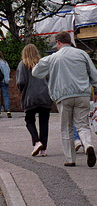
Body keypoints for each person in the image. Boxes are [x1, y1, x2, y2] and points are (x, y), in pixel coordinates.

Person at [32, 31, 97, 167]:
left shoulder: (53, 58)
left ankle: (70, 159)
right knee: (83, 125)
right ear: (70, 41)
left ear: (58, 42)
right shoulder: (82, 54)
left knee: (66, 127)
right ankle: (88, 145)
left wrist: (48, 72)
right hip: (82, 95)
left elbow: (35, 72)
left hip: (63, 97)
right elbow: (94, 75)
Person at [16, 44, 52, 157]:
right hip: (45, 96)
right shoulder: (42, 63)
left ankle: (36, 142)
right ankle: (43, 149)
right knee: (44, 123)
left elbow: (20, 82)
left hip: (30, 97)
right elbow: (49, 78)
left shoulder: (23, 64)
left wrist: (22, 90)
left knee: (29, 121)